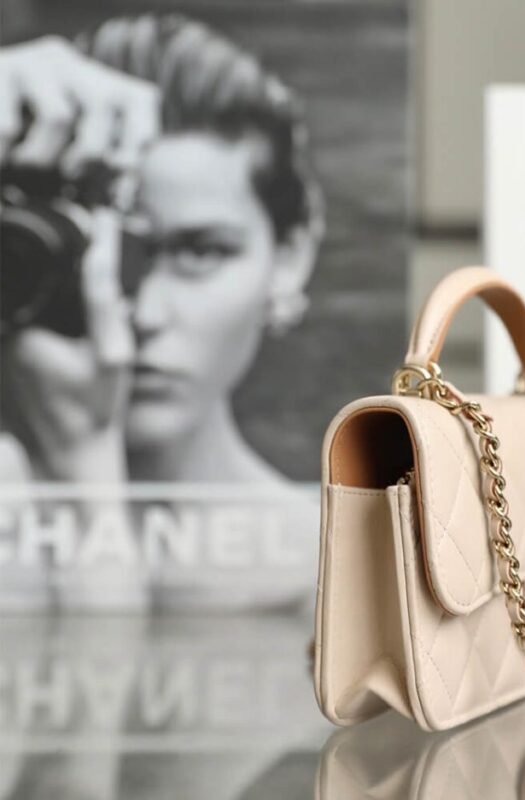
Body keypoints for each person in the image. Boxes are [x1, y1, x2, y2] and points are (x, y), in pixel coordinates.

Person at [0, 16, 324, 608]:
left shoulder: (340, 568)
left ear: (290, 257)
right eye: (100, 253)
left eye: (201, 252)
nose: (143, 314)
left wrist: (77, 474)